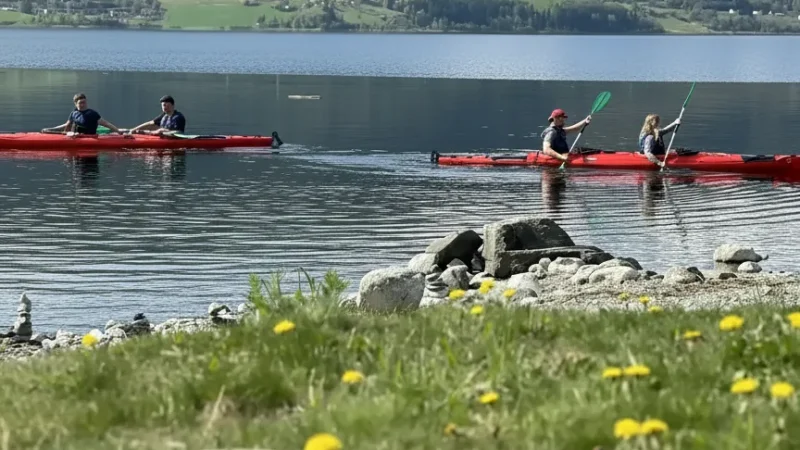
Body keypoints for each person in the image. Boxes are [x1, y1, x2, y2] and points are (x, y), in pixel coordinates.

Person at [42, 93, 122, 135]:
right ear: (75, 103)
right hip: (76, 136)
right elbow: (66, 125)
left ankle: (124, 131)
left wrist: (119, 133)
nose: (83, 105)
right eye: (80, 103)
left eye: (84, 102)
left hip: (90, 138)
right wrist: (51, 129)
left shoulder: (92, 114)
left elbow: (107, 124)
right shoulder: (74, 113)